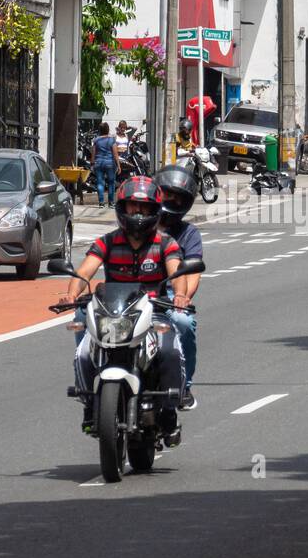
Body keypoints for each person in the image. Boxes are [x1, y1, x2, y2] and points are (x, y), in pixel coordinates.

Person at [64, 177, 190, 445]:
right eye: (133, 207)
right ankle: (89, 402)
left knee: (169, 350)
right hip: (113, 314)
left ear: (155, 211)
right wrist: (71, 293)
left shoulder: (165, 243)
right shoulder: (107, 242)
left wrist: (179, 294)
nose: (138, 214)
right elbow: (85, 271)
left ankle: (168, 410)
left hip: (154, 313)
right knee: (84, 350)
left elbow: (176, 272)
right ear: (122, 208)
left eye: (144, 209)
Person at [154, 164, 204, 410]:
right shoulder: (136, 223)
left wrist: (182, 297)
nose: (169, 200)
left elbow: (192, 273)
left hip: (170, 295)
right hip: (135, 292)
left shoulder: (188, 234)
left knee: (183, 323)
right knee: (85, 316)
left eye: (176, 197)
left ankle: (184, 385)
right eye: (166, 194)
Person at [91, 122, 120, 207]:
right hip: (110, 163)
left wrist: (92, 163)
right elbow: (115, 154)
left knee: (100, 183)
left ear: (100, 130)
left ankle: (101, 203)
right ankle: (111, 203)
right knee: (111, 183)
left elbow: (93, 153)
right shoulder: (111, 140)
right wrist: (118, 165)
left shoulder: (96, 140)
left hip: (98, 163)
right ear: (108, 130)